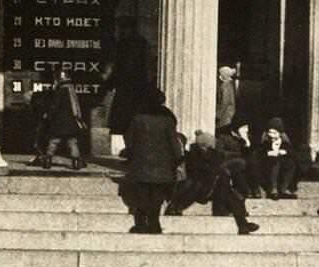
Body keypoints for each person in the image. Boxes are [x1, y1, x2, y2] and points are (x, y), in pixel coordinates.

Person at [164, 131, 259, 234]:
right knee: (221, 181)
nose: (210, 149)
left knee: (228, 188)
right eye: (208, 146)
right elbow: (196, 176)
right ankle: (242, 223)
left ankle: (242, 225)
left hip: (212, 188)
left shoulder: (215, 155)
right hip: (196, 190)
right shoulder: (193, 156)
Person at [120, 89, 182, 234]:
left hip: (141, 161)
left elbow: (129, 137)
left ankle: (141, 224)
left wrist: (131, 152)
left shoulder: (138, 116)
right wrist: (178, 158)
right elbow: (173, 141)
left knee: (142, 194)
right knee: (157, 195)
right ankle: (154, 223)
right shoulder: (168, 118)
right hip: (162, 162)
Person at [102, 20, 152, 156]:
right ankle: (132, 150)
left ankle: (130, 150)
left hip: (128, 90)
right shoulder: (142, 44)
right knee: (130, 122)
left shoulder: (126, 45)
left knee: (124, 122)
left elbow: (120, 69)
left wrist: (108, 85)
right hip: (138, 90)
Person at [39, 68, 86, 170]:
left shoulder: (60, 90)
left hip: (59, 122)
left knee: (54, 141)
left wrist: (48, 115)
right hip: (71, 122)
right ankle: (76, 163)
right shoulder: (72, 90)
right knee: (72, 142)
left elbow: (54, 106)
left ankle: (47, 161)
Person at [258, 117, 298, 200]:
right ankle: (273, 189)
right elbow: (259, 154)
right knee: (275, 162)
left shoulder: (285, 143)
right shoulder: (265, 143)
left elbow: (292, 153)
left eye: (274, 133)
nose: (271, 135)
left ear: (280, 133)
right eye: (270, 132)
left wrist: (284, 152)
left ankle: (284, 188)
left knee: (290, 164)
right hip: (268, 166)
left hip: (282, 166)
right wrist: (268, 153)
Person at [215, 65, 239, 131]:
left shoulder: (225, 86)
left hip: (225, 116)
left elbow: (224, 102)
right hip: (228, 114)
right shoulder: (229, 84)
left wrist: (217, 115)